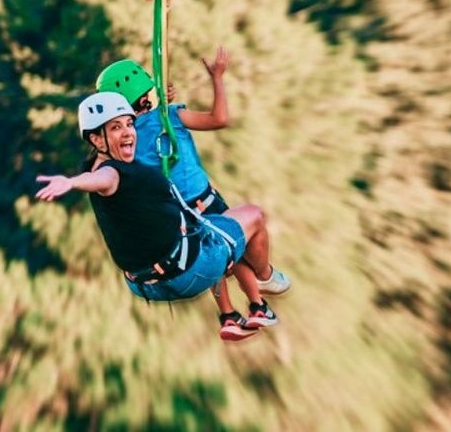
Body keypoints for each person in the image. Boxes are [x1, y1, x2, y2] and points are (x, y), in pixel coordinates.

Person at [36, 92, 283, 341]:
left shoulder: (112, 165)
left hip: (146, 284)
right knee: (254, 215)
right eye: (115, 127)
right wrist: (71, 183)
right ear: (97, 140)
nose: (128, 133)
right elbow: (101, 180)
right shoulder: (110, 173)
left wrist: (158, 100)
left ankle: (230, 315)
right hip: (189, 271)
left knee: (203, 227)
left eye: (129, 124)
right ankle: (264, 279)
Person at [95, 49, 290, 339]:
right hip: (204, 199)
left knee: (211, 256)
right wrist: (218, 78)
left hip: (176, 214)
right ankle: (259, 302)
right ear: (146, 93)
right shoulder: (170, 117)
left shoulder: (122, 142)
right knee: (233, 252)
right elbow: (219, 118)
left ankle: (228, 315)